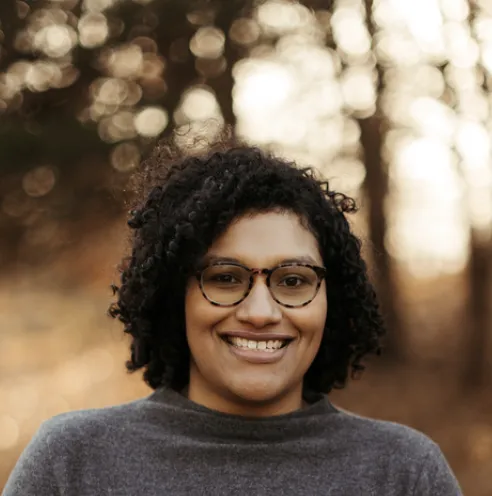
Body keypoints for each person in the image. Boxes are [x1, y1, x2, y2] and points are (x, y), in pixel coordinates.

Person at [3, 144, 462, 495]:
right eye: (225, 277)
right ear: (173, 296)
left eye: (293, 280)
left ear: (331, 301)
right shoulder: (72, 463)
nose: (260, 312)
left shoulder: (404, 472)